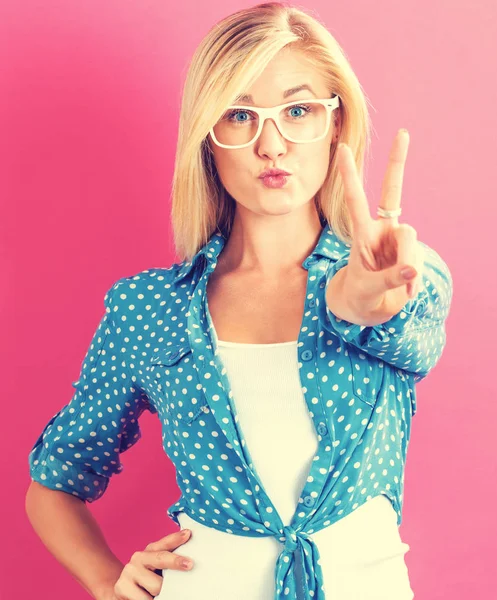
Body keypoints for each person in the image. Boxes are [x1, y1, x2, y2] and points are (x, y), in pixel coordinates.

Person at [25, 2, 453, 599]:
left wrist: (360, 303)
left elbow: (405, 325)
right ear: (208, 136)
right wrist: (106, 581)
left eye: (298, 110)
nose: (271, 144)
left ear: (335, 123)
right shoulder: (149, 308)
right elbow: (54, 483)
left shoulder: (400, 273)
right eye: (239, 115)